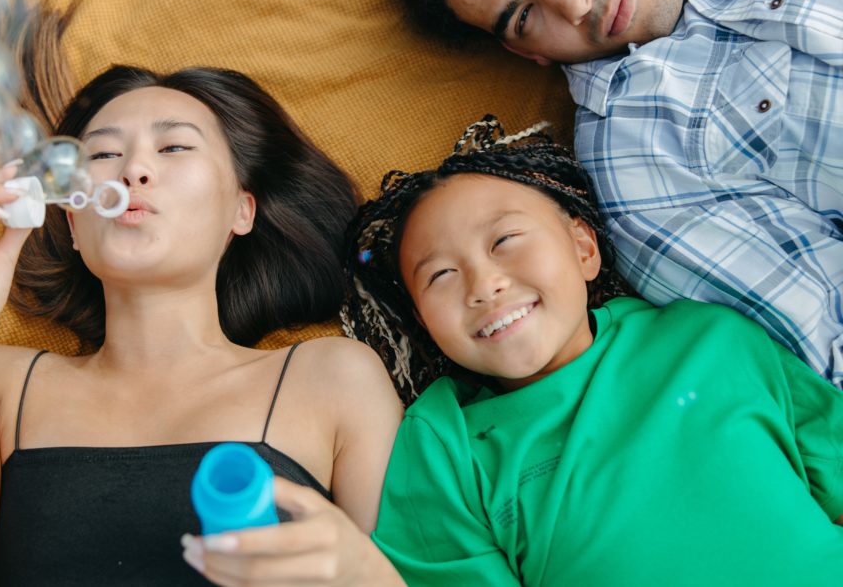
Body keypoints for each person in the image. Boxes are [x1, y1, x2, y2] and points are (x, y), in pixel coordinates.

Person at [0, 3, 403, 586]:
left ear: (240, 210)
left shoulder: (333, 377)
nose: (133, 169)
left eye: (173, 148)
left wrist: (358, 570)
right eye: (102, 154)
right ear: (73, 223)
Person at [342, 115, 843, 586]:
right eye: (440, 275)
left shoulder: (709, 338)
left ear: (583, 248)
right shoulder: (442, 446)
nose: (483, 284)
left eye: (505, 240)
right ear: (425, 325)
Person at [387, 0, 843, 389]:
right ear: (527, 53)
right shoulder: (635, 164)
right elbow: (825, 344)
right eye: (525, 16)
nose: (574, 2)